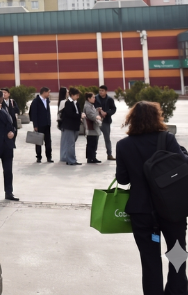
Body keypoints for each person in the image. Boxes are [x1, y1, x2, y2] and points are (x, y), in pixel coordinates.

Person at [116, 101, 188, 295]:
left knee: (150, 260)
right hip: (172, 209)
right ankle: (177, 290)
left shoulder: (123, 145)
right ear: (157, 117)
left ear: (132, 119)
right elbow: (182, 167)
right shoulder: (167, 139)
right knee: (177, 254)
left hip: (142, 211)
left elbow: (122, 180)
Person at [29, 87, 53, 163]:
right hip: (39, 125)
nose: (49, 94)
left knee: (48, 141)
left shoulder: (47, 100)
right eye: (48, 92)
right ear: (44, 92)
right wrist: (35, 125)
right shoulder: (36, 101)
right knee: (38, 141)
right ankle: (39, 157)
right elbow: (33, 114)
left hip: (47, 124)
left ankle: (49, 157)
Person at [59, 88, 83, 165]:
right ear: (72, 95)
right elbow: (70, 114)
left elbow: (78, 112)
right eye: (76, 95)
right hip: (69, 126)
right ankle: (71, 160)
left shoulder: (76, 103)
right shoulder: (68, 103)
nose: (78, 97)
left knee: (72, 144)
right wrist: (79, 116)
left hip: (75, 126)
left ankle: (71, 158)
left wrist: (80, 116)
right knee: (70, 144)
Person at [96, 85, 117, 161]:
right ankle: (93, 156)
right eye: (100, 90)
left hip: (106, 121)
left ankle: (109, 154)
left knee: (107, 138)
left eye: (102, 91)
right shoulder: (95, 98)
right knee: (95, 138)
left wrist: (107, 113)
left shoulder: (109, 99)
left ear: (106, 91)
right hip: (96, 121)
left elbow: (113, 109)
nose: (100, 92)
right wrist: (98, 111)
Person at [83, 92, 102, 164]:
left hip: (93, 127)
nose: (94, 99)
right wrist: (97, 117)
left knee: (93, 143)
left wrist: (97, 110)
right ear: (89, 98)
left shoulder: (91, 105)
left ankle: (93, 157)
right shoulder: (88, 106)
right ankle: (90, 158)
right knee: (91, 143)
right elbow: (90, 115)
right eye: (93, 97)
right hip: (91, 128)